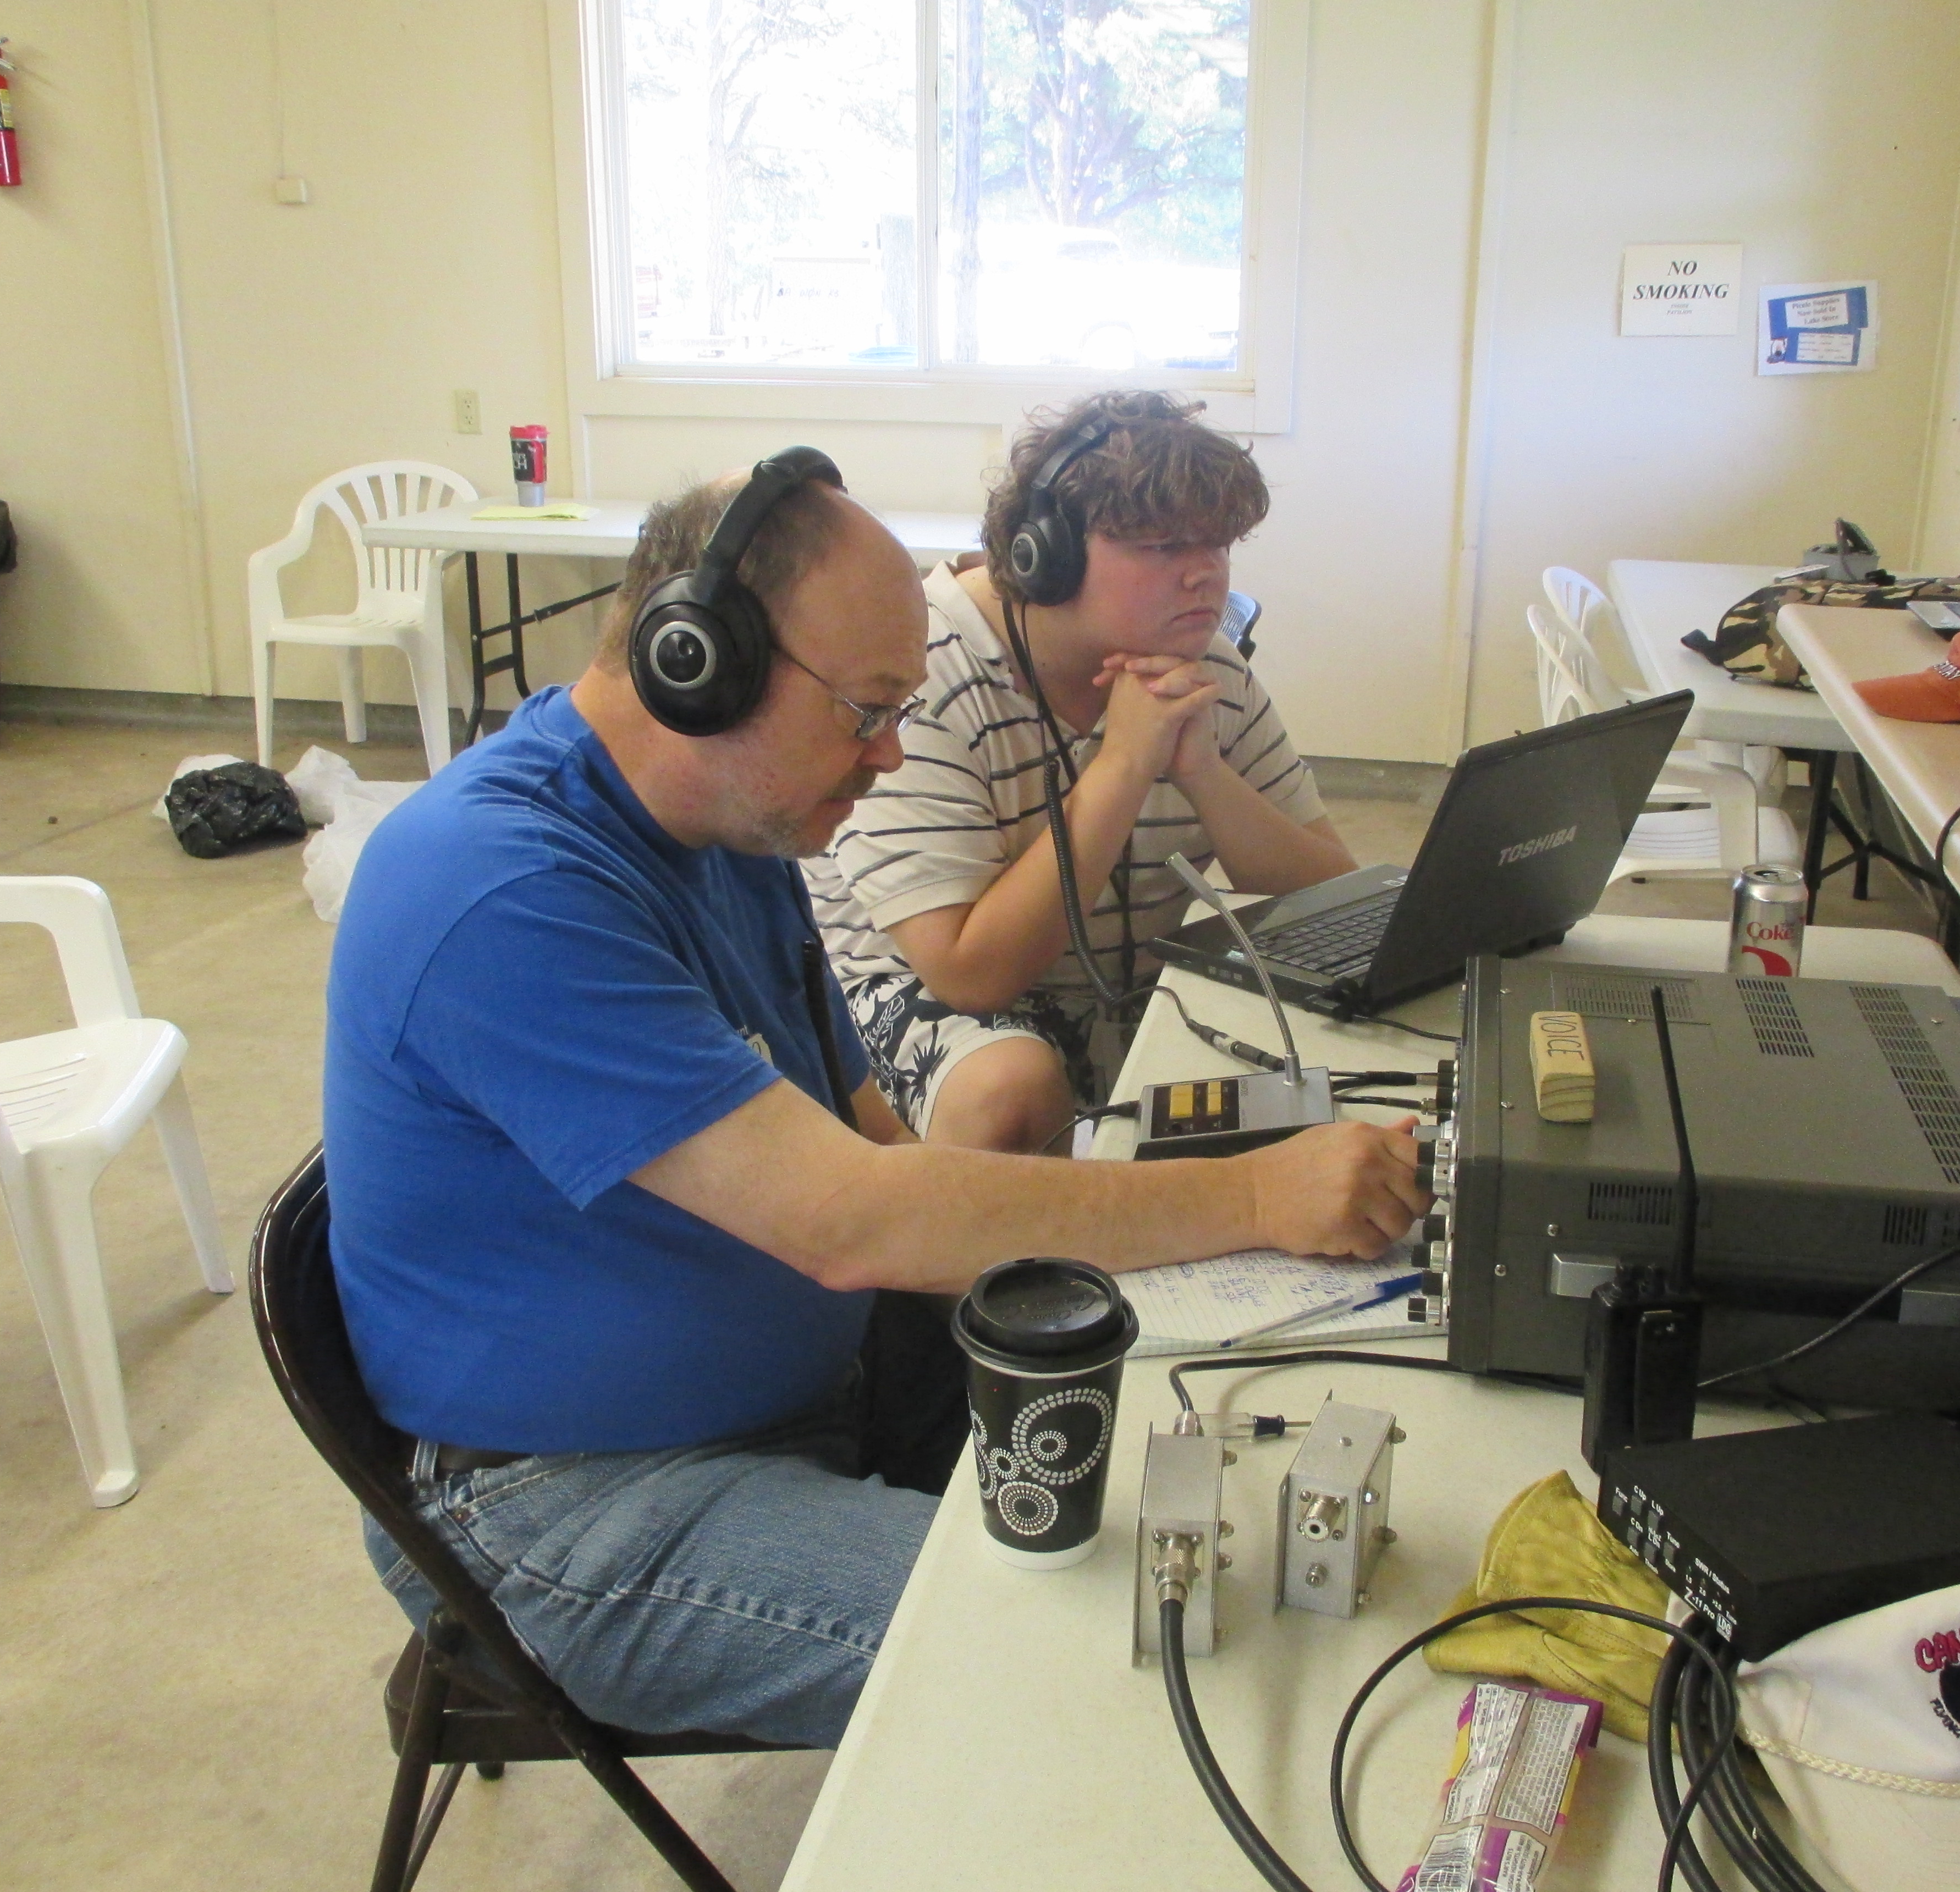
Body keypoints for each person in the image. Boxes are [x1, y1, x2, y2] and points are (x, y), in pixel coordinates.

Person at [322, 448, 1427, 1750]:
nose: (891, 754)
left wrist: (1128, 1258)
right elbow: (851, 1219)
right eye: (865, 712)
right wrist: (1251, 1197)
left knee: (1226, 1463)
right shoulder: (500, 887)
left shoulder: (732, 825)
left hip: (817, 1390)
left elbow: (875, 1131)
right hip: (576, 1502)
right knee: (1123, 1656)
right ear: (698, 663)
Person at [807, 390, 1356, 1156]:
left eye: (1218, 545)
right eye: (1164, 547)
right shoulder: (923, 673)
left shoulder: (1203, 666)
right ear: (1046, 554)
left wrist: (1203, 773)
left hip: (1119, 987)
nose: (1205, 575)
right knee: (1010, 1087)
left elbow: (1337, 894)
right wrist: (1124, 764)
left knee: (1338, 1045)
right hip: (911, 990)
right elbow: (968, 973)